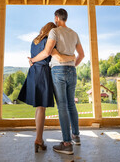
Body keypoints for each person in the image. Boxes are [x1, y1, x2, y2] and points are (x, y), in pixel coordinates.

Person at [29, 9, 84, 155]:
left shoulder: (54, 32)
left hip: (58, 71)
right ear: (66, 18)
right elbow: (82, 55)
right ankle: (76, 136)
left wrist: (32, 60)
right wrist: (72, 64)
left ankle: (66, 143)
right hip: (72, 71)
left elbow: (47, 53)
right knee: (71, 104)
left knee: (63, 106)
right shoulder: (74, 33)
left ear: (56, 18)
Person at [18, 22, 75, 153]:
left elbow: (35, 57)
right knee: (41, 108)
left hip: (33, 73)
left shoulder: (34, 41)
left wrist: (32, 60)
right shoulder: (49, 41)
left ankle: (39, 139)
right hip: (43, 73)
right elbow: (51, 55)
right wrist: (71, 57)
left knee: (39, 108)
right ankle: (38, 139)